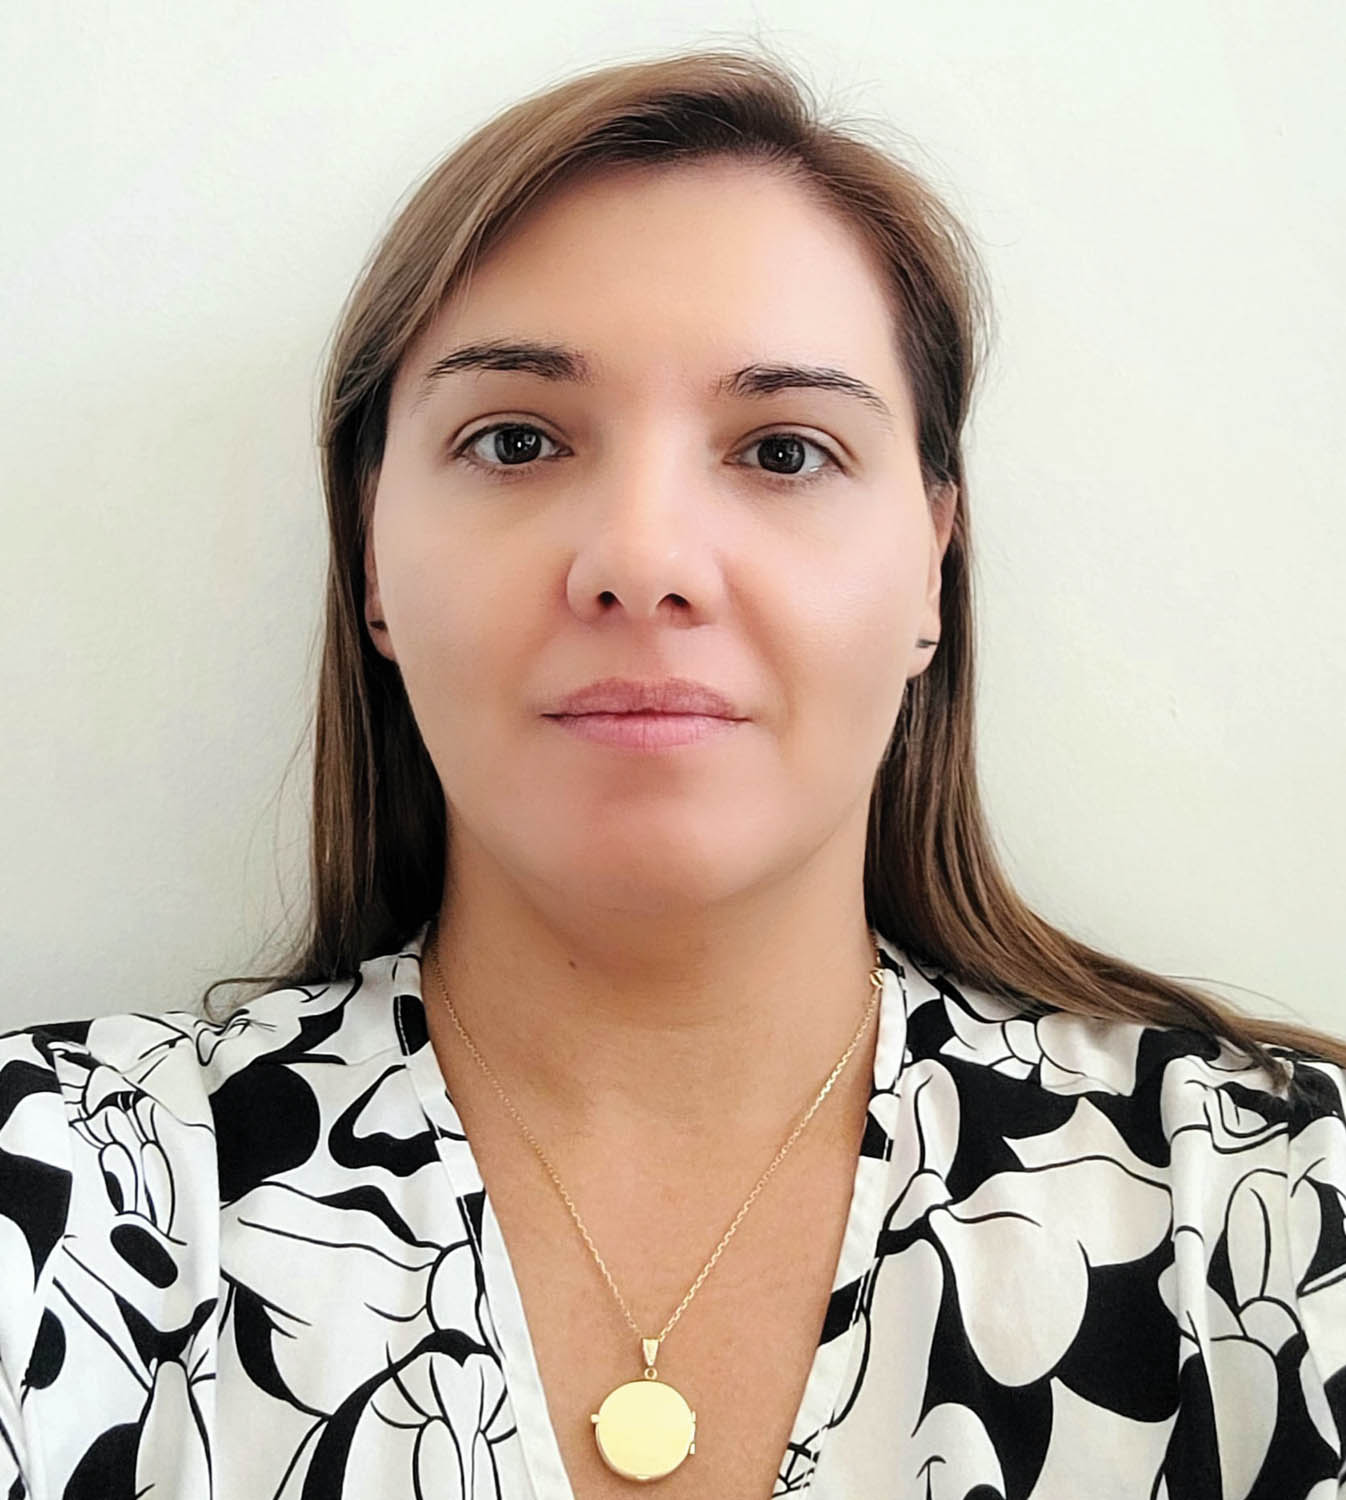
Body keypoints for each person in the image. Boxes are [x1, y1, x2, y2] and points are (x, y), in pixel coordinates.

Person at [2, 43, 1343, 1500]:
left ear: (931, 571)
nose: (642, 560)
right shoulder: (52, 1204)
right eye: (516, 439)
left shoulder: (1281, 1213)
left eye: (784, 451)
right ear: (371, 556)